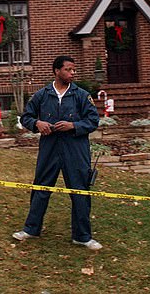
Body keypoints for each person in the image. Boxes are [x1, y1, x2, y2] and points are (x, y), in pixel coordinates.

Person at [13, 55, 102, 250]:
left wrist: (73, 125)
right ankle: (31, 229)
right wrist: (37, 123)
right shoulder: (41, 95)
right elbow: (26, 117)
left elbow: (93, 121)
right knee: (41, 188)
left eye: (73, 70)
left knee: (79, 190)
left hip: (76, 150)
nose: (72, 73)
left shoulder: (81, 95)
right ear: (56, 71)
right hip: (49, 149)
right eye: (68, 69)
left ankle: (82, 236)